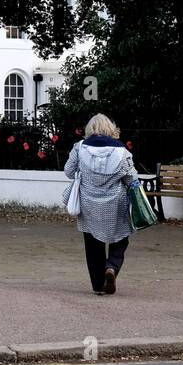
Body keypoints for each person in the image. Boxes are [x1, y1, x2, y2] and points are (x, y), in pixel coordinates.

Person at [64, 113, 139, 295]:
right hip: (116, 203)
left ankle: (98, 286)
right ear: (111, 129)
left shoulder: (79, 148)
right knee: (121, 238)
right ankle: (111, 266)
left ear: (90, 129)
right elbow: (132, 179)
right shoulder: (122, 152)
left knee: (92, 244)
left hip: (88, 203)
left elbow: (68, 171)